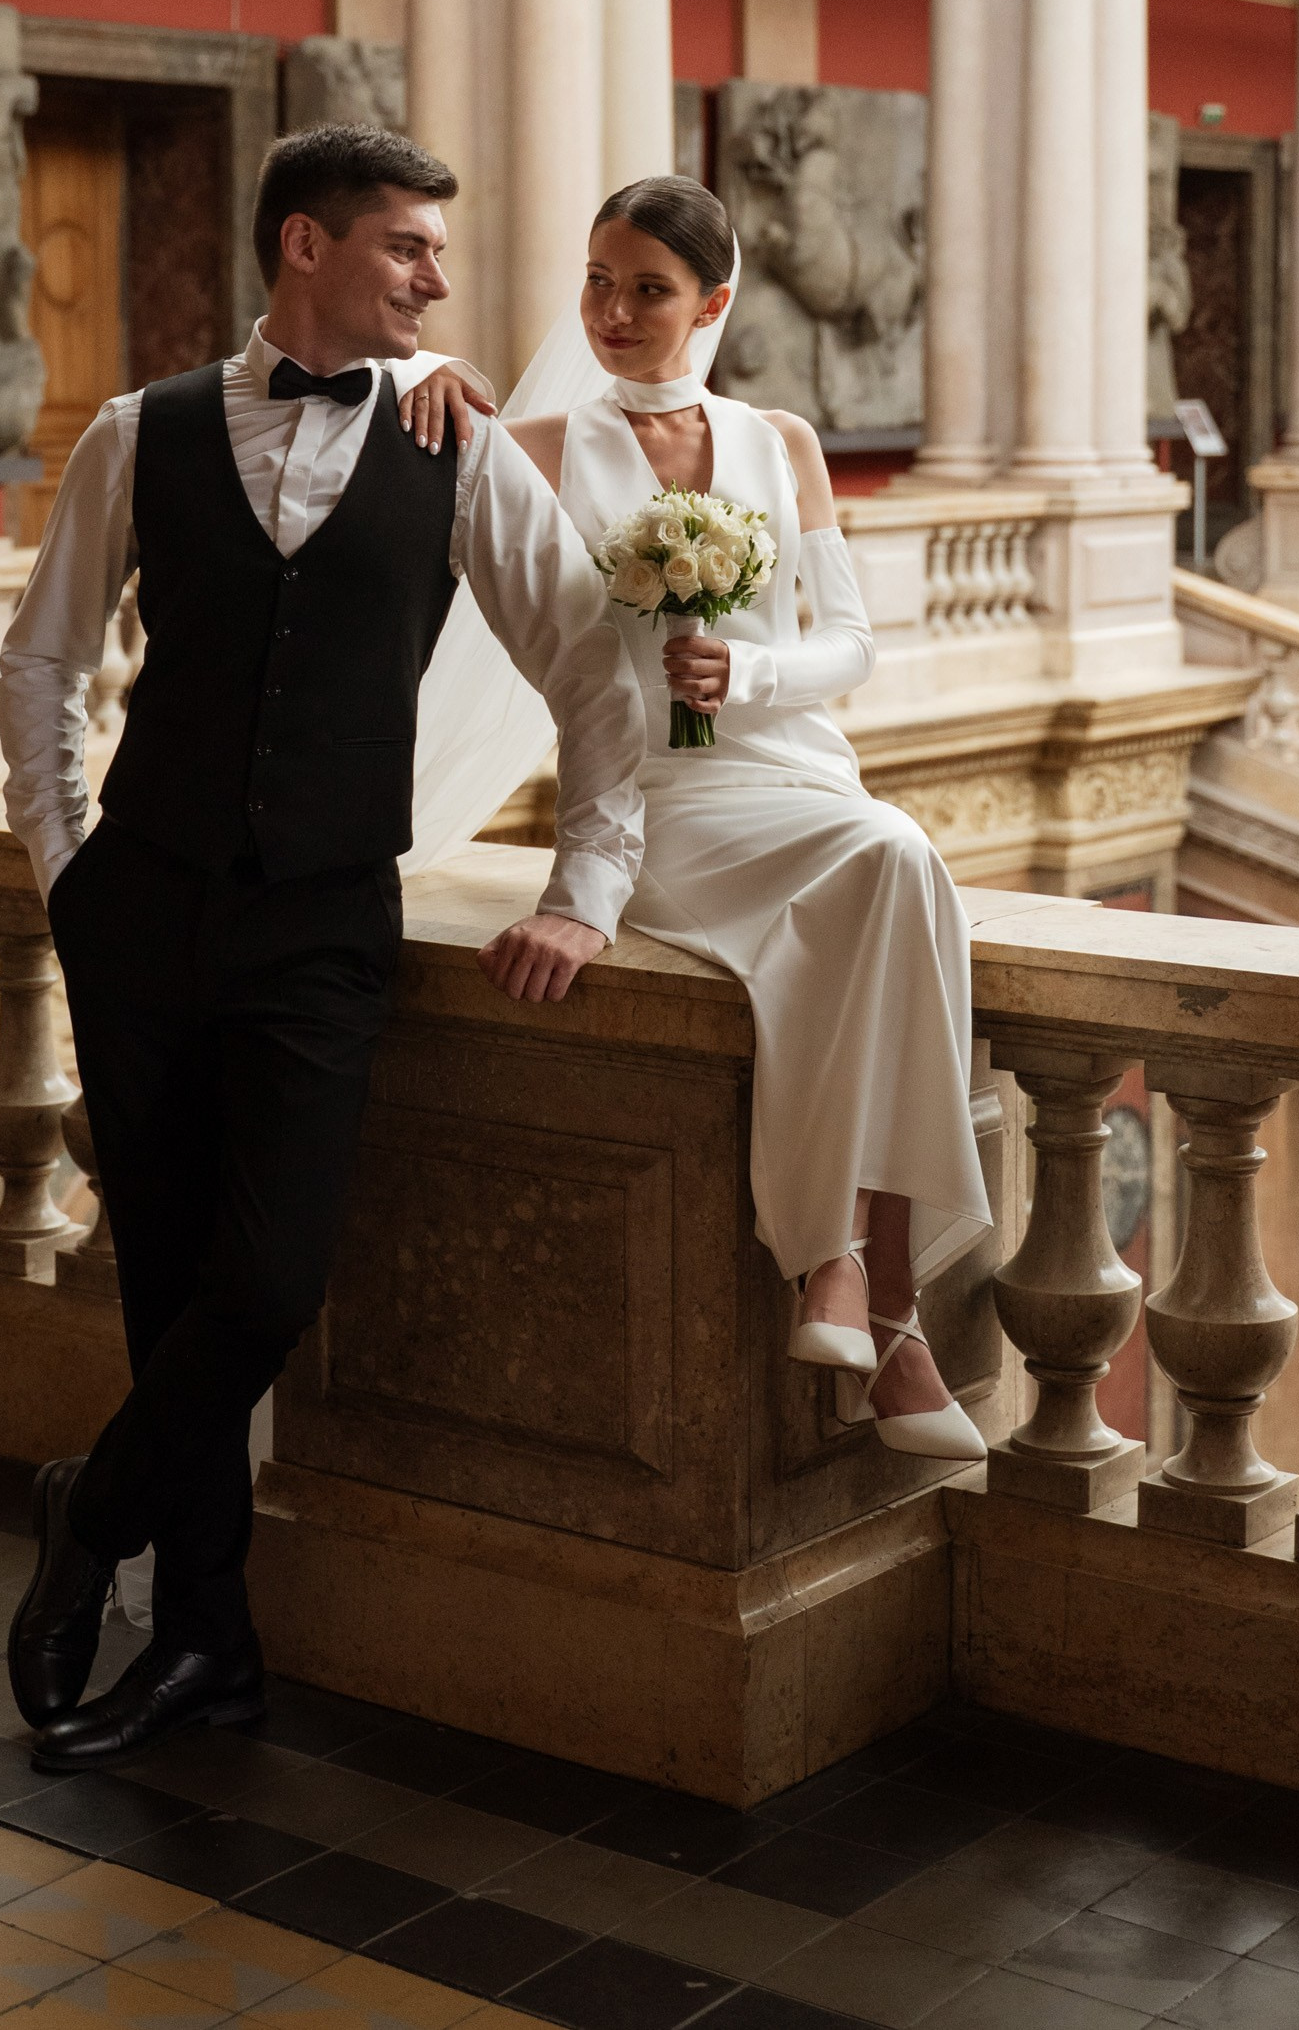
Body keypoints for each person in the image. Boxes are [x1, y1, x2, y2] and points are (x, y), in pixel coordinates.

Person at [0, 124, 648, 1771]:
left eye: (439, 248)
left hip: (322, 930)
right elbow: (41, 658)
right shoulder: (136, 436)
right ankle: (210, 1646)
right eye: (407, 247)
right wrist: (67, 859)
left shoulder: (462, 447)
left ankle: (100, 1505)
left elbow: (598, 674)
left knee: (268, 1278)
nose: (440, 275)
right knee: (167, 1286)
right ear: (305, 245)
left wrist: (585, 890)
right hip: (139, 911)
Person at [414, 174, 990, 1458]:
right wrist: (444, 363)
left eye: (649, 289)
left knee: (891, 868)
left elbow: (846, 643)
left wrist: (751, 675)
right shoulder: (544, 450)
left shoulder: (781, 442)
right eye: (596, 282)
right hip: (660, 802)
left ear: (712, 302)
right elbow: (384, 451)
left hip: (796, 768)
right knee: (899, 867)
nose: (613, 311)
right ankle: (865, 1298)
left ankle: (862, 1290)